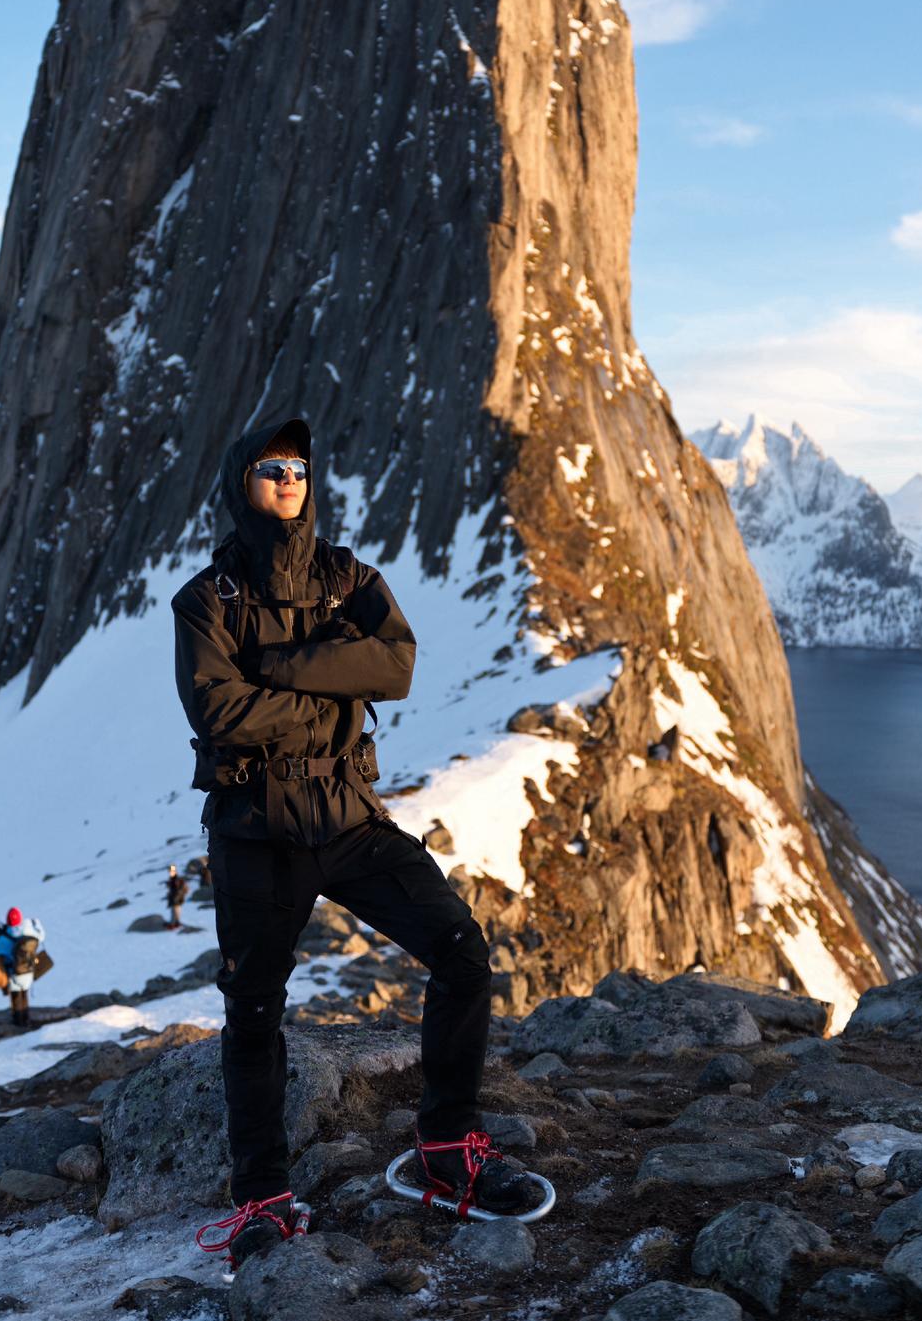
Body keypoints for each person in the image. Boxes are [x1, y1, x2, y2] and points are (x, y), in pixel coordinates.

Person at [172, 413, 536, 1268]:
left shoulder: (348, 575)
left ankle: (447, 1149)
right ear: (241, 481)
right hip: (255, 830)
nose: (289, 479)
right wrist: (332, 690)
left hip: (346, 817)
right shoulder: (204, 599)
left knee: (459, 948)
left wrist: (281, 671)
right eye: (271, 467)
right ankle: (261, 1198)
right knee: (254, 1010)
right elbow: (217, 710)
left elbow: (398, 666)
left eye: (299, 466)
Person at [0, 907, 48, 1029]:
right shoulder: (28, 931)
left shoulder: (5, 938)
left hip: (14, 974)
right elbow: (41, 936)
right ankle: (26, 1019)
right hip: (29, 972)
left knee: (16, 998)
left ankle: (19, 1023)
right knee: (24, 995)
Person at [166, 863, 189, 928]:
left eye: (171, 871)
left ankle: (174, 924)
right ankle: (175, 923)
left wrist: (178, 895)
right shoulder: (173, 879)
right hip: (175, 898)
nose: (170, 872)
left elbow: (182, 889)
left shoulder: (176, 879)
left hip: (176, 899)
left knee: (175, 911)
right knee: (175, 911)